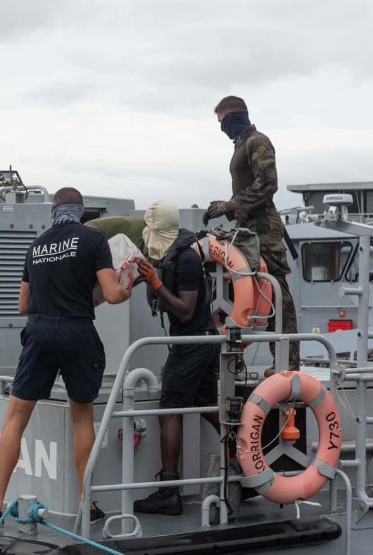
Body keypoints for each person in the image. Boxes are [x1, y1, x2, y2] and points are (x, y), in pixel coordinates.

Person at [0, 187, 134, 528]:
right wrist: (130, 283)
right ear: (80, 211)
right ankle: (88, 503)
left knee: (15, 418)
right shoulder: (92, 240)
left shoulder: (36, 245)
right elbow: (113, 294)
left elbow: (23, 305)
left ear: (54, 211)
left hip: (40, 332)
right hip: (77, 331)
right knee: (82, 417)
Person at [132, 201, 220, 516]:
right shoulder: (175, 256)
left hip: (193, 343)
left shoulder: (186, 260)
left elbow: (184, 309)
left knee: (170, 409)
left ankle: (169, 491)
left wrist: (155, 284)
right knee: (210, 404)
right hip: (204, 340)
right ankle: (246, 464)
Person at [203, 95, 299, 371]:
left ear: (233, 118)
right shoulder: (242, 146)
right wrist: (229, 207)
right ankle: (237, 356)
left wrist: (231, 205)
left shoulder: (257, 142)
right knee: (246, 289)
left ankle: (288, 363)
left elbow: (268, 183)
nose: (222, 129)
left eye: (222, 123)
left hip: (264, 229)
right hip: (248, 229)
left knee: (277, 292)